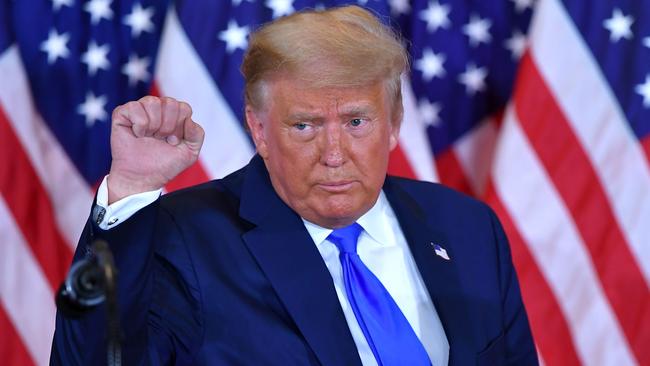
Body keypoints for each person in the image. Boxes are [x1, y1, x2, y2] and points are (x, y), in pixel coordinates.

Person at [51, 5, 537, 366]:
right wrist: (133, 185)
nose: (333, 152)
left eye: (356, 122)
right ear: (259, 130)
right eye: (304, 125)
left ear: (393, 124)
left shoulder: (468, 228)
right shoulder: (188, 238)